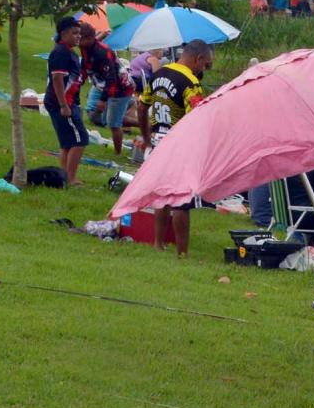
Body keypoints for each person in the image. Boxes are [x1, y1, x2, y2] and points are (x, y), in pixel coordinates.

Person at [139, 39, 215, 256]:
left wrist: (146, 138)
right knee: (181, 202)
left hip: (157, 142)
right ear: (198, 59)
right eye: (206, 64)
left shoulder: (159, 73)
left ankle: (158, 243)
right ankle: (182, 252)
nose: (204, 69)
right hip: (179, 145)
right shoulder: (191, 83)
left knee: (162, 196)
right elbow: (196, 119)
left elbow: (142, 106)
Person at [78, 23, 134, 157]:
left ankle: (118, 153)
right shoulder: (85, 47)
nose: (78, 41)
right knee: (109, 120)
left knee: (114, 124)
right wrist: (79, 82)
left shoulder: (102, 52)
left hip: (121, 88)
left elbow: (112, 79)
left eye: (80, 38)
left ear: (90, 38)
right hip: (107, 86)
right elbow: (85, 66)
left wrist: (103, 100)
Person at [45, 16, 88, 186]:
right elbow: (57, 78)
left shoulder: (68, 51)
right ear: (63, 34)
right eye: (75, 33)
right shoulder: (61, 53)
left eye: (80, 33)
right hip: (63, 102)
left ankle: (63, 177)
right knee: (80, 139)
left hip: (67, 101)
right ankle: (70, 178)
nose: (78, 36)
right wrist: (63, 104)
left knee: (67, 142)